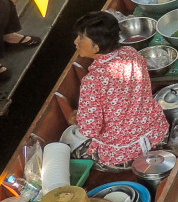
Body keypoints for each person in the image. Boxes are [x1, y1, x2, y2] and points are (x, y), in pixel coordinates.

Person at [72, 11, 169, 168]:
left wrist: (77, 118)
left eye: (80, 38)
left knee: (73, 150)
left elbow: (89, 130)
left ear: (96, 47)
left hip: (126, 155)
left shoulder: (92, 82)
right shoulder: (131, 53)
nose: (76, 42)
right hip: (158, 135)